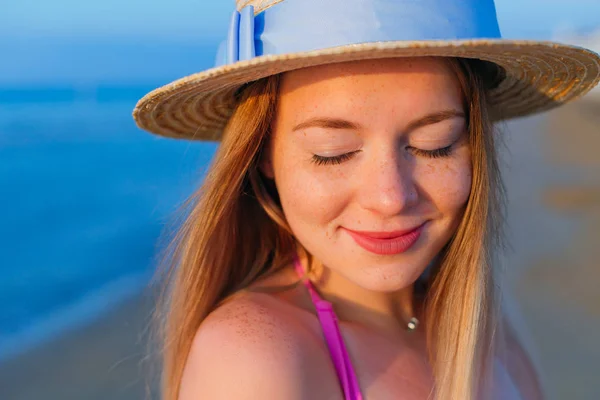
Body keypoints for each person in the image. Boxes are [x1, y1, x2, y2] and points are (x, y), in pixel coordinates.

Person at [133, 1, 600, 399]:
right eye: (332, 154)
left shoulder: (486, 319)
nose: (391, 197)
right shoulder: (253, 357)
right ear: (262, 155)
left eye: (435, 143)